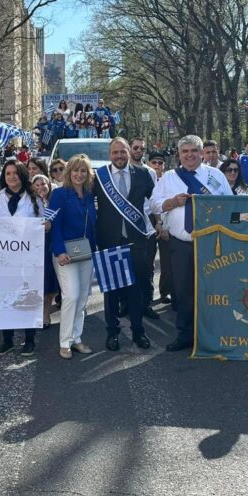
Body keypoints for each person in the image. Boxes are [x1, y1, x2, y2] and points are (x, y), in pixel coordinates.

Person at [150, 134, 231, 352]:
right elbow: (154, 205)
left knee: (211, 289)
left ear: (202, 153)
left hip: (211, 242)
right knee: (183, 290)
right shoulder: (168, 177)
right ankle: (186, 334)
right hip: (181, 244)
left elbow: (231, 203)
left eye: (194, 151)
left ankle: (212, 334)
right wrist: (171, 202)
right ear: (179, 154)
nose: (189, 155)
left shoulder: (215, 176)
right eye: (185, 151)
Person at [94, 138, 156, 352]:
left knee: (135, 290)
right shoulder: (99, 177)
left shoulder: (143, 174)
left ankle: (139, 331)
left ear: (129, 152)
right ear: (109, 154)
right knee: (111, 292)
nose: (119, 156)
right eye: (115, 153)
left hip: (136, 240)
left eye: (123, 152)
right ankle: (112, 332)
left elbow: (156, 201)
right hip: (109, 240)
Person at [0, 160, 43, 355]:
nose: (11, 177)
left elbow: (43, 223)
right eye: (8, 173)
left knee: (28, 297)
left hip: (28, 258)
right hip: (3, 259)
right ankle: (7, 339)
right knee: (6, 298)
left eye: (15, 173)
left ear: (22, 174)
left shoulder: (34, 198)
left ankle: (29, 339)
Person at [48, 154, 98, 359]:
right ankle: (64, 342)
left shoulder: (89, 195)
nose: (79, 174)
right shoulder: (59, 194)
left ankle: (77, 338)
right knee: (72, 295)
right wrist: (59, 251)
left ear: (88, 174)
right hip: (65, 253)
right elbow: (54, 225)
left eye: (83, 170)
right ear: (69, 172)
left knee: (83, 298)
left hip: (85, 252)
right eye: (76, 170)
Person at [129, 137, 161, 321]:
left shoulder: (150, 172)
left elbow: (155, 200)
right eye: (135, 147)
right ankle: (127, 302)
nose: (139, 151)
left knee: (147, 265)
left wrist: (158, 222)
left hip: (147, 221)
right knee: (129, 265)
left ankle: (146, 303)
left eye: (142, 148)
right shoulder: (120, 171)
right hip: (128, 221)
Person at [31, 174, 59, 328]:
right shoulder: (29, 203)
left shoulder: (55, 202)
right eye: (37, 185)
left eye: (43, 183)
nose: (41, 187)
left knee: (49, 282)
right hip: (35, 246)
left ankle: (45, 313)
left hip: (50, 244)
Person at [148, 153, 172, 306]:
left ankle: (165, 291)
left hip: (164, 222)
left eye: (160, 163)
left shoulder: (169, 181)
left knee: (166, 261)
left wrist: (162, 223)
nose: (157, 165)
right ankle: (146, 294)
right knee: (147, 262)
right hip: (146, 222)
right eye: (154, 162)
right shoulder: (144, 178)